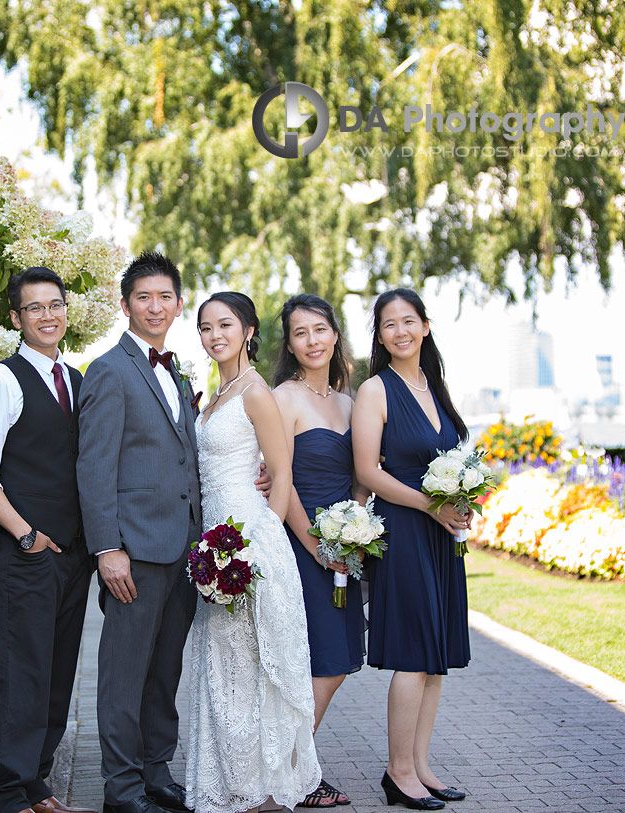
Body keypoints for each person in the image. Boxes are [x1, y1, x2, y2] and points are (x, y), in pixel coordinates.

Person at [183, 291, 321, 813]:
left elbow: (281, 473)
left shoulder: (256, 393)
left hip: (248, 548)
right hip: (213, 548)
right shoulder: (214, 394)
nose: (214, 335)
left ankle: (262, 791)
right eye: (204, 327)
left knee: (253, 669)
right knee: (223, 670)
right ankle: (232, 783)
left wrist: (257, 549)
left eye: (225, 325)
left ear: (248, 331)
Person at [76, 251, 204, 813]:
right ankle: (121, 790)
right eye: (143, 297)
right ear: (125, 303)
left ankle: (157, 773)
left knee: (163, 674)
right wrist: (108, 549)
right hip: (133, 552)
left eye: (165, 297)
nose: (155, 306)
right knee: (123, 679)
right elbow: (94, 467)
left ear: (179, 303)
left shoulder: (176, 372)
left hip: (181, 551)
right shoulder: (108, 370)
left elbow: (182, 458)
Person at [0, 267, 97, 813]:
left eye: (56, 305)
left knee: (57, 676)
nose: (48, 316)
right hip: (26, 555)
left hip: (73, 559)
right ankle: (6, 795)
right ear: (17, 319)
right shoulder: (1, 380)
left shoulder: (79, 380)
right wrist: (26, 536)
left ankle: (37, 786)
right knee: (23, 676)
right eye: (35, 308)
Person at [352, 289, 472, 811]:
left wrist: (461, 502)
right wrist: (431, 505)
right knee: (413, 655)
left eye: (408, 321)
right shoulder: (376, 390)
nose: (400, 331)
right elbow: (367, 471)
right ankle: (398, 772)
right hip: (402, 530)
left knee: (435, 659)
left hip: (440, 535)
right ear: (379, 336)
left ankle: (421, 766)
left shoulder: (435, 387)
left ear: (425, 326)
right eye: (388, 324)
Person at [270, 294, 365, 809]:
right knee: (322, 661)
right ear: (289, 343)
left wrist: (354, 530)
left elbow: (360, 479)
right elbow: (278, 484)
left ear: (334, 335)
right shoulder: (284, 397)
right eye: (300, 332)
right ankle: (292, 774)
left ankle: (296, 768)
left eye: (319, 330)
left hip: (343, 550)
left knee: (339, 659)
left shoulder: (349, 403)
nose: (311, 340)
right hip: (300, 545)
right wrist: (317, 548)